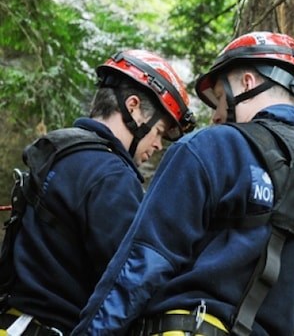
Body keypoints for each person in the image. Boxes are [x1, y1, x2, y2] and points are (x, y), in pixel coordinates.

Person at [73, 32, 294, 335]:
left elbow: (140, 265)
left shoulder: (211, 148)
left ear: (247, 82)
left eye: (222, 100)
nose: (216, 116)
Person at [0, 49, 196, 335]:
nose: (157, 146)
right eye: (159, 131)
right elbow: (132, 277)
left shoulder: (63, 150)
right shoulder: (111, 174)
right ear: (133, 107)